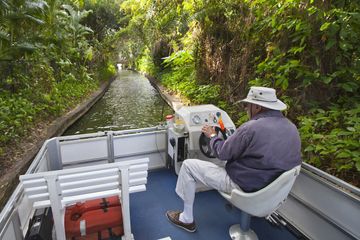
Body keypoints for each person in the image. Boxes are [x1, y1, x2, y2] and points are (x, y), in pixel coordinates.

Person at [166, 86, 302, 232]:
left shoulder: (251, 128)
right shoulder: (292, 128)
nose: (246, 109)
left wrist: (212, 136)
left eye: (247, 106)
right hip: (271, 191)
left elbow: (222, 153)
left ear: (256, 107)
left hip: (245, 187)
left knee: (187, 166)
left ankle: (186, 219)